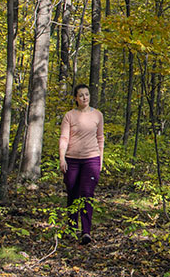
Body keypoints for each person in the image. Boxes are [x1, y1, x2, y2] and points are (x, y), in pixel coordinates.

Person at [59, 84, 104, 245]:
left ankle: (86, 232)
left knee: (87, 195)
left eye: (87, 94)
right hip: (72, 159)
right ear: (76, 98)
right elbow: (64, 138)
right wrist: (62, 158)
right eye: (81, 95)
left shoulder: (98, 115)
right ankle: (72, 228)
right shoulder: (69, 116)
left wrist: (101, 160)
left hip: (91, 159)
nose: (85, 97)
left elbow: (100, 138)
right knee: (72, 193)